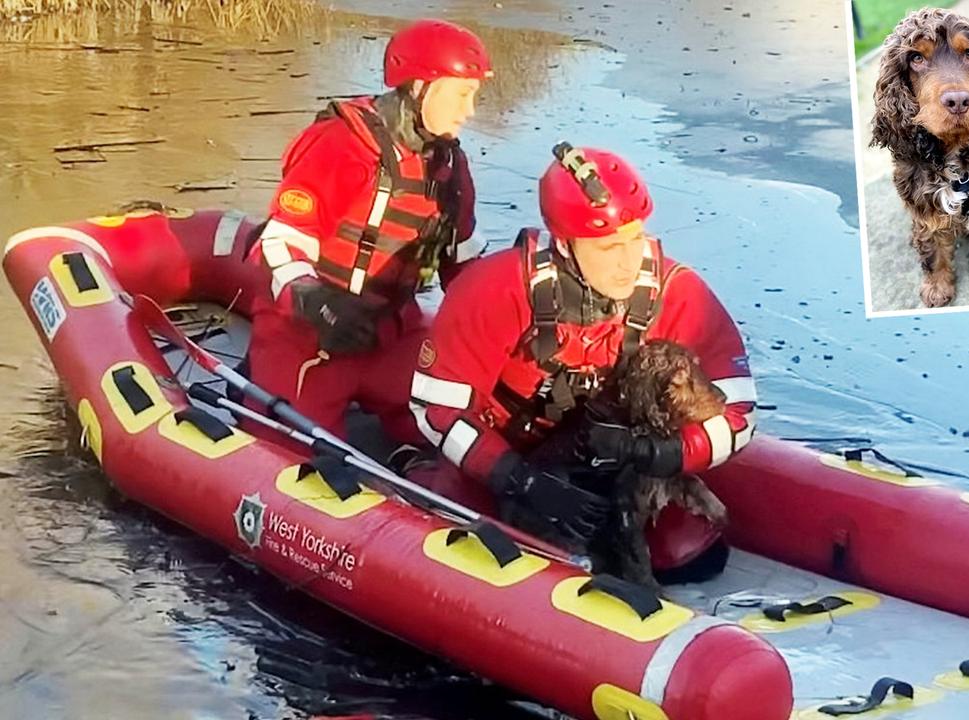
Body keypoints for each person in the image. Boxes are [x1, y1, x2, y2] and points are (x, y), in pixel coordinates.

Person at [410, 143, 757, 571]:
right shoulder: (495, 289)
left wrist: (660, 454)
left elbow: (739, 410)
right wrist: (521, 479)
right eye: (608, 248)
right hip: (503, 456)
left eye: (635, 240)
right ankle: (410, 470)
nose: (630, 263)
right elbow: (437, 409)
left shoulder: (676, 292)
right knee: (467, 538)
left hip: (611, 460)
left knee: (690, 554)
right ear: (564, 244)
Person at [245, 20, 492, 445]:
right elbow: (281, 241)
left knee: (466, 429)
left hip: (393, 333)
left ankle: (415, 466)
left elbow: (465, 268)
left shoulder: (451, 169)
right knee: (292, 451)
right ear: (418, 87)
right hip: (309, 335)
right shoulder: (343, 143)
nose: (469, 111)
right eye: (462, 94)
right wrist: (314, 301)